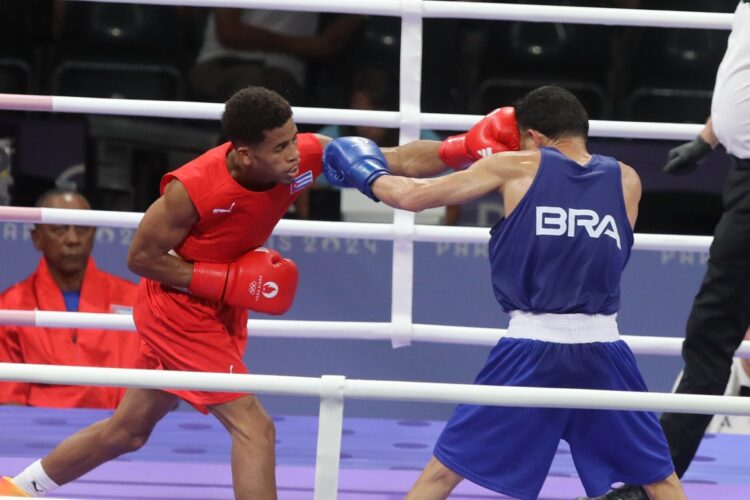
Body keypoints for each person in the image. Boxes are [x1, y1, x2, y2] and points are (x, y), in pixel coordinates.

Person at [0, 85, 515, 498]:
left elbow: (401, 159)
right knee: (254, 427)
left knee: (128, 431)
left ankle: (19, 488)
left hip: (221, 306)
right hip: (178, 310)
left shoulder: (302, 157)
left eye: (294, 139)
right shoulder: (192, 189)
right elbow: (141, 259)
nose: (296, 154)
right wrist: (222, 279)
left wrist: (463, 149)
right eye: (281, 146)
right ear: (244, 155)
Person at [323, 85, 686, 500]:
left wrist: (365, 171)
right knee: (661, 480)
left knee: (442, 475)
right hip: (604, 349)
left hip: (531, 351)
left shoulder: (515, 167)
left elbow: (411, 196)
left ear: (532, 135)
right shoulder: (627, 178)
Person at [596, 2, 750, 498]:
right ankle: (652, 485)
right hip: (744, 177)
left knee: (710, 336)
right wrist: (708, 138)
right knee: (709, 337)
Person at [0, 188, 140, 409]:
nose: (72, 239)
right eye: (60, 229)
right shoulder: (9, 305)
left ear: (93, 235)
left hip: (121, 433)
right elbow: (9, 400)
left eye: (82, 228)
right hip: (39, 434)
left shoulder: (134, 298)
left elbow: (157, 391)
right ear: (37, 238)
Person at [189, 8, 362, 104]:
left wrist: (362, 10)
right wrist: (301, 45)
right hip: (221, 66)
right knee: (259, 91)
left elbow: (326, 45)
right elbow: (228, 32)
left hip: (285, 80)